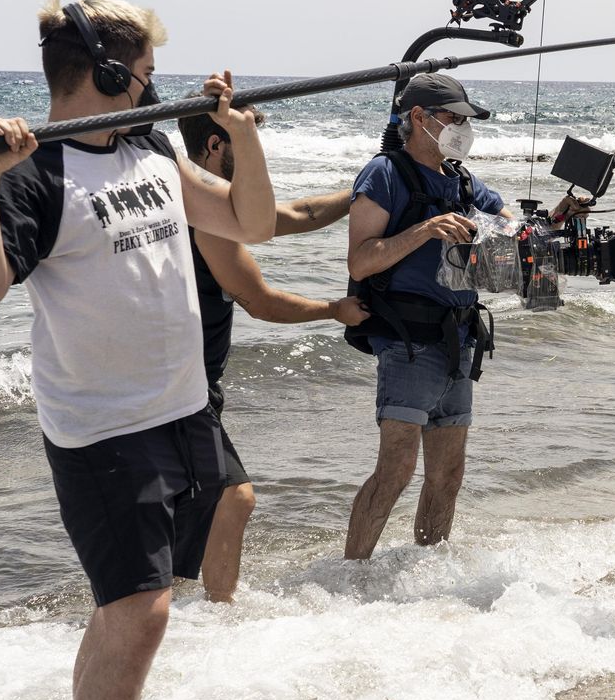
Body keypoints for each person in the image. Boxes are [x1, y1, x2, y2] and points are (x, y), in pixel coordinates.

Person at [0, 0, 274, 700]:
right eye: (148, 74)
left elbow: (250, 223)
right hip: (101, 432)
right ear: (108, 71)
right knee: (143, 612)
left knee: (130, 612)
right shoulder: (38, 176)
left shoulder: (154, 151)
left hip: (183, 411)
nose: (157, 89)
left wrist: (243, 142)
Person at [342, 73, 586, 560]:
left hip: (458, 340)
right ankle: (352, 573)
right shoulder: (384, 174)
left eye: (464, 120)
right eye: (452, 118)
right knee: (396, 470)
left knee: (448, 476)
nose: (462, 128)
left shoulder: (464, 180)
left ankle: (427, 568)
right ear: (419, 118)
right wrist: (425, 229)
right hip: (406, 342)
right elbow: (360, 260)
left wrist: (560, 217)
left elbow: (516, 229)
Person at [177, 104, 370, 602]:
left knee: (190, 505)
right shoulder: (206, 216)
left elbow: (296, 215)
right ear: (217, 147)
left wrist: (361, 191)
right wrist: (333, 309)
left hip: (183, 381)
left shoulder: (192, 195)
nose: (259, 158)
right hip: (180, 385)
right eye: (249, 144)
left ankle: (175, 608)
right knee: (233, 498)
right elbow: (259, 302)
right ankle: (217, 613)